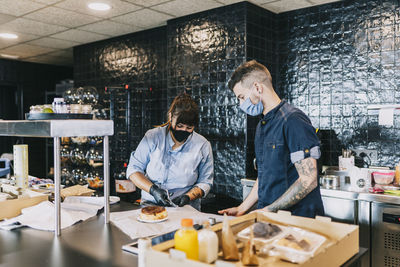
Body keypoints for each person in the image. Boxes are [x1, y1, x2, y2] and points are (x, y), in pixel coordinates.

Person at [219, 60, 324, 218]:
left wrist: (269, 209)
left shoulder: (293, 120)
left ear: (257, 87)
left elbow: (308, 180)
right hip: (271, 217)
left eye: (241, 97)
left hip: (297, 219)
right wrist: (242, 208)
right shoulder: (263, 125)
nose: (241, 104)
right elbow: (264, 174)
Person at [126, 93, 213, 210]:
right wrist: (153, 190)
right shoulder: (153, 137)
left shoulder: (203, 145)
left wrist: (188, 197)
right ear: (170, 117)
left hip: (185, 208)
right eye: (180, 125)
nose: (184, 131)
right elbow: (133, 170)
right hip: (151, 205)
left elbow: (205, 182)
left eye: (189, 128)